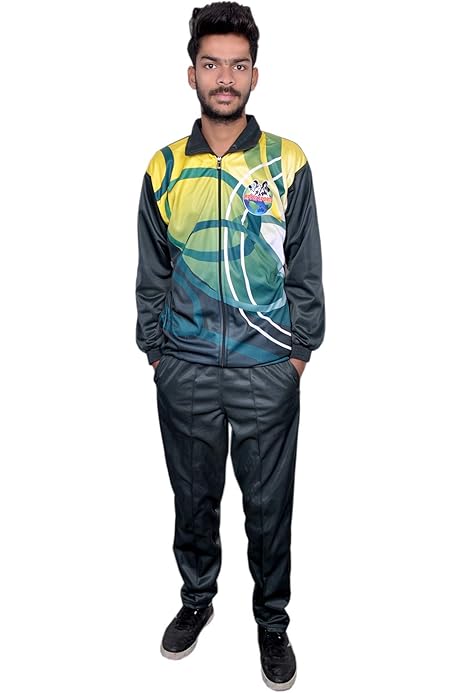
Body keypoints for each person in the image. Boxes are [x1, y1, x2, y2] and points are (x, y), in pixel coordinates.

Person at [135, 2, 325, 689]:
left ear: (254, 75)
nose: (225, 77)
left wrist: (298, 353)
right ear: (191, 74)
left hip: (266, 368)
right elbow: (152, 271)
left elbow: (305, 268)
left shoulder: (286, 161)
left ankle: (272, 623)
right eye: (211, 64)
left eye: (238, 65)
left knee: (270, 509)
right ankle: (196, 600)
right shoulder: (164, 166)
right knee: (193, 498)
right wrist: (157, 352)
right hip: (184, 368)